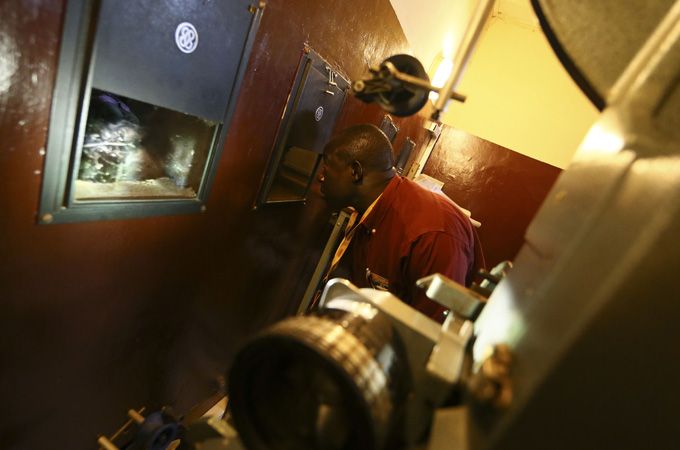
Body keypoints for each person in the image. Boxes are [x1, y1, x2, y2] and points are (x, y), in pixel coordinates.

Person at [317, 123, 484, 321]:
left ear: (355, 171)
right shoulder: (371, 209)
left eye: (327, 168)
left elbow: (429, 328)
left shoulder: (430, 233)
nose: (320, 177)